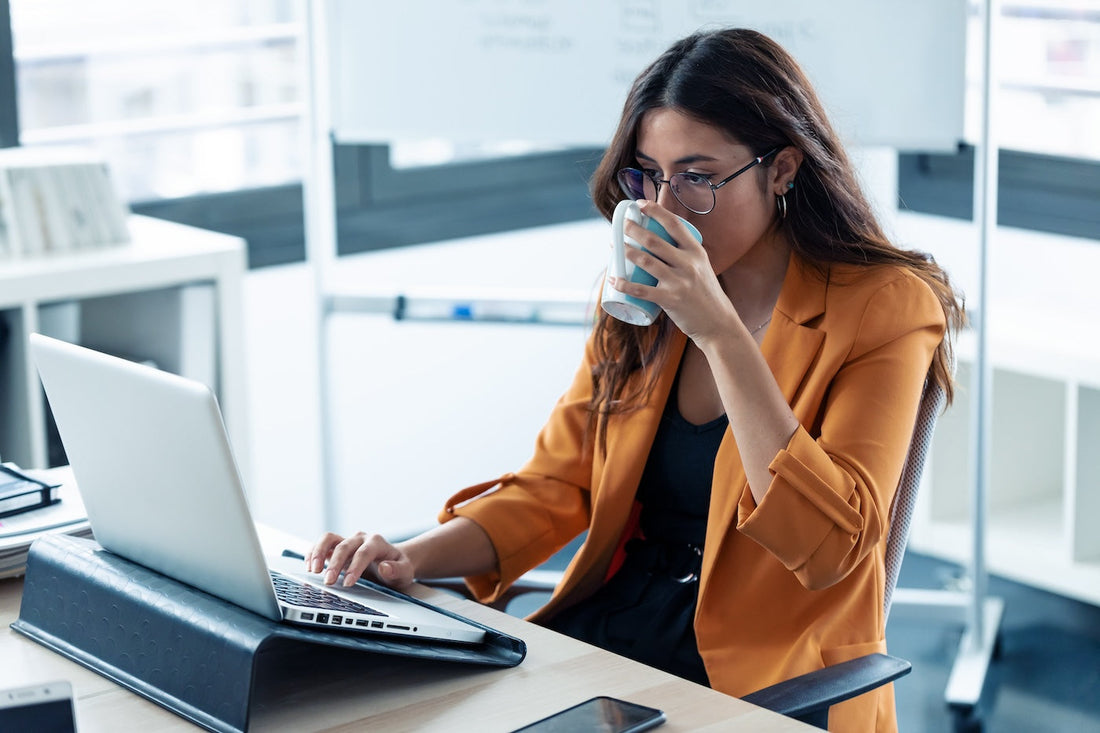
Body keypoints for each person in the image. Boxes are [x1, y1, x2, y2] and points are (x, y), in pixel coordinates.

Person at [306, 27, 963, 732]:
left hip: (761, 675)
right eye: (646, 174)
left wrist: (720, 334)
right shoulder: (639, 302)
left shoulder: (885, 306)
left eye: (698, 177)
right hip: (618, 632)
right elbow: (558, 485)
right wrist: (410, 559)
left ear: (782, 169)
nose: (663, 207)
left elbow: (831, 551)